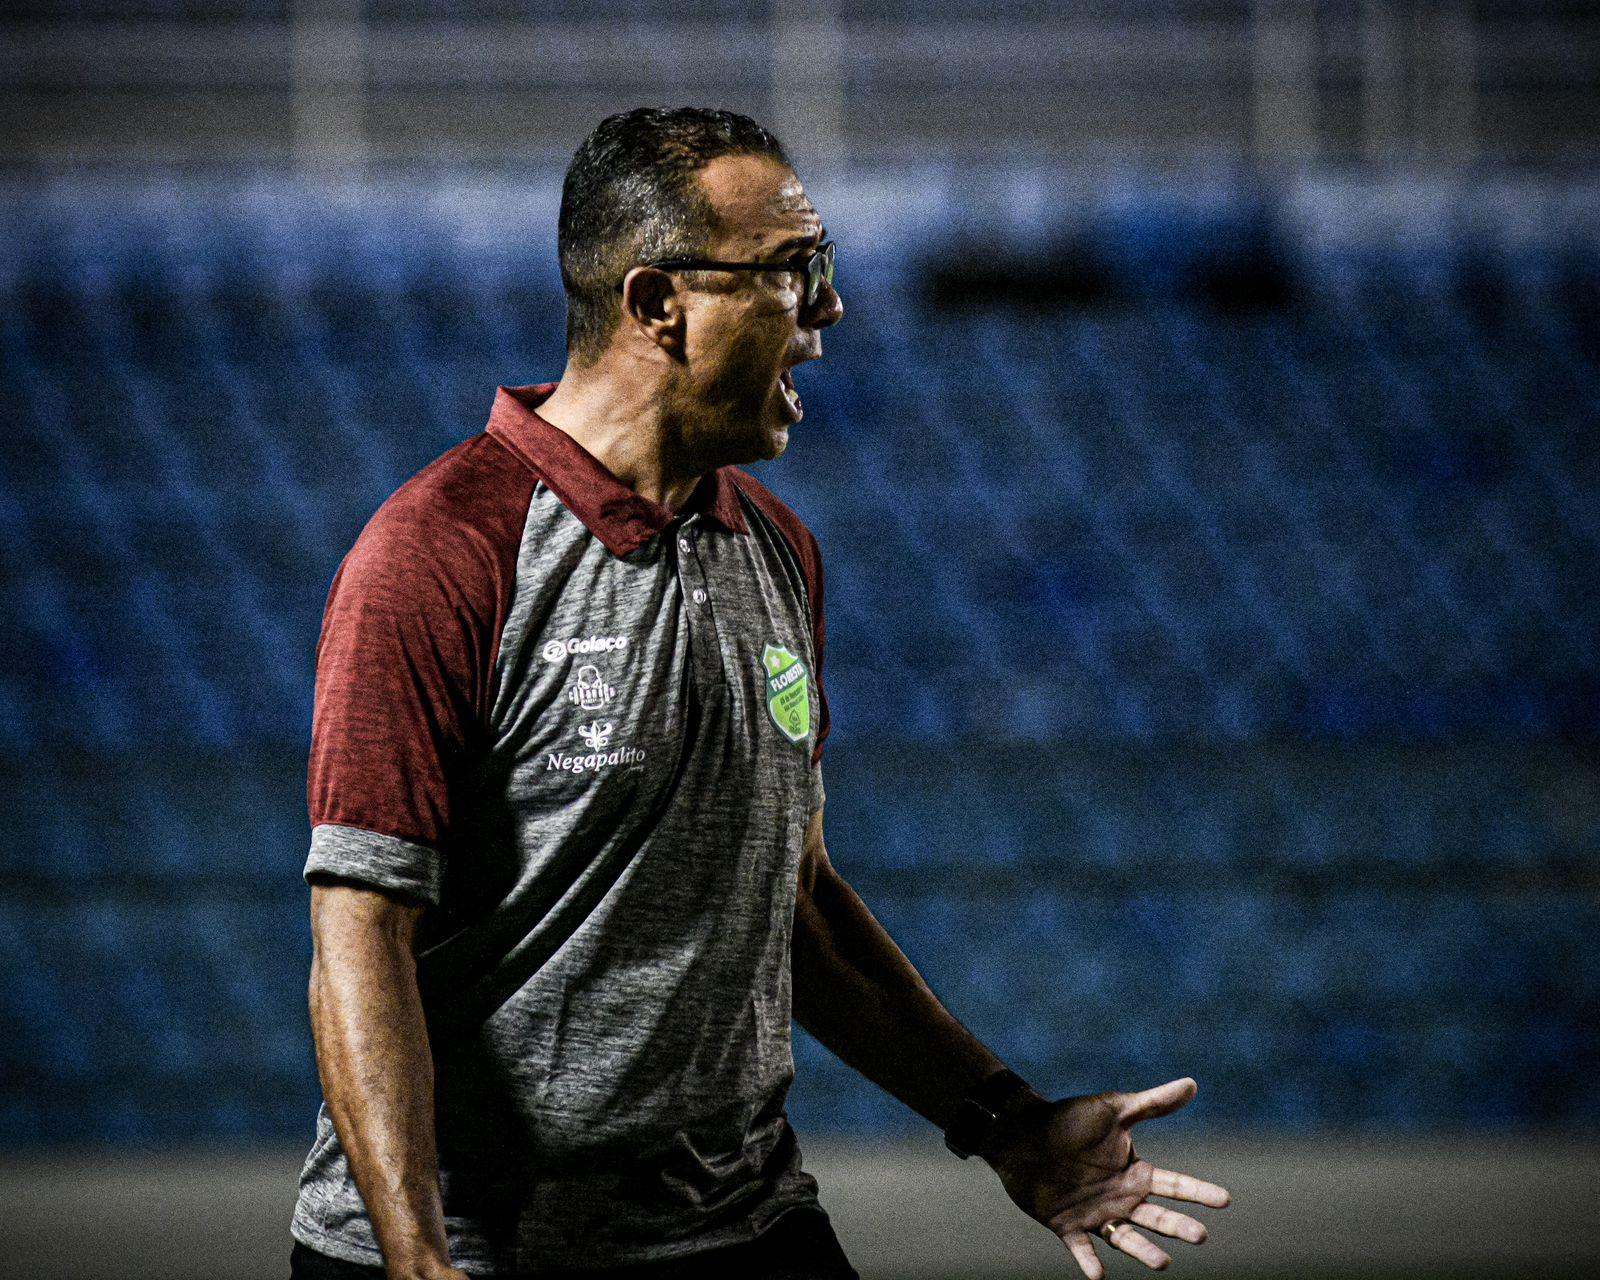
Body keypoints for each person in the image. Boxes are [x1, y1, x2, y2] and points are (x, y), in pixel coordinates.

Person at [291, 107, 1230, 1280]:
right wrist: (415, 1257)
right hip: (483, 1252)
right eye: (793, 270)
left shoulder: (777, 548)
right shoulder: (437, 553)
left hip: (740, 1220)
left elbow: (799, 900)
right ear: (657, 303)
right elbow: (360, 931)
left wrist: (1007, 1123)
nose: (827, 310)